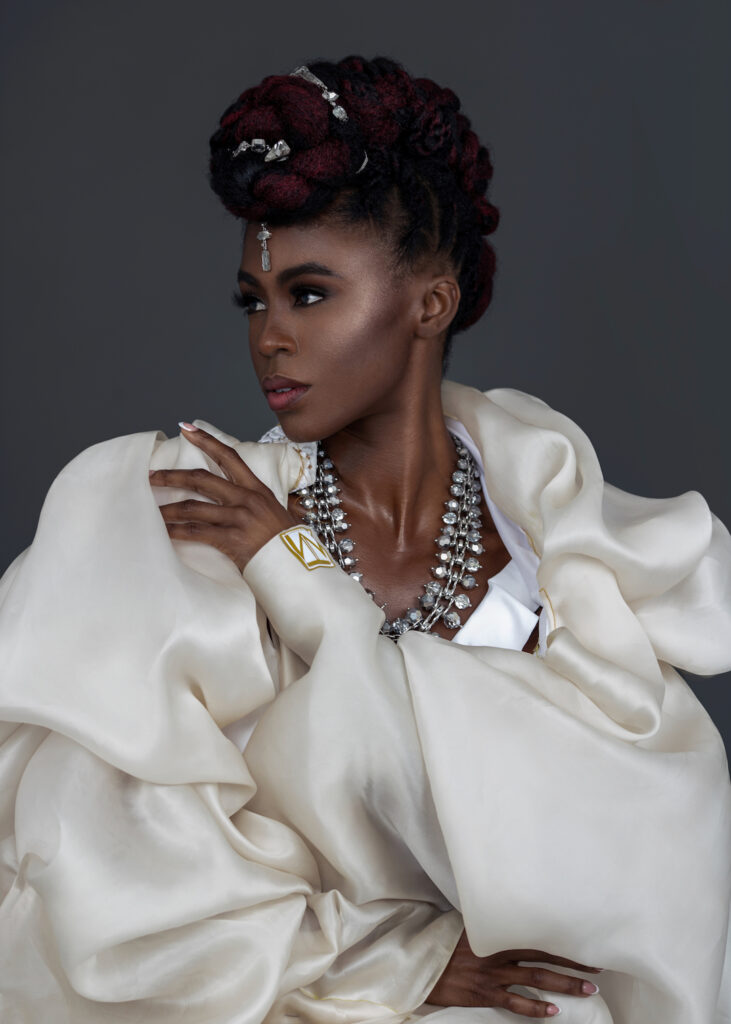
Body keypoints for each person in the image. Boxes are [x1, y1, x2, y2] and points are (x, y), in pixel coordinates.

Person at [0, 55, 729, 1023]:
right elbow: (113, 867)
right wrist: (393, 964)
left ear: (430, 303)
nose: (269, 335)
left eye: (308, 293)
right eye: (253, 299)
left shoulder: (563, 538)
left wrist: (304, 584)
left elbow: (642, 840)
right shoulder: (194, 511)